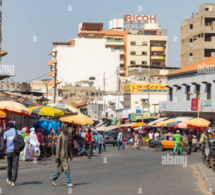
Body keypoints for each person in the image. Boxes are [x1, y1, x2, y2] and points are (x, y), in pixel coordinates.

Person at [3, 122, 21, 187]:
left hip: (9, 151)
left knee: (9, 165)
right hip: (16, 151)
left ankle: (9, 178)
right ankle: (13, 181)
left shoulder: (6, 133)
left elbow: (4, 141)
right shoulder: (19, 132)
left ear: (8, 127)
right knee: (15, 166)